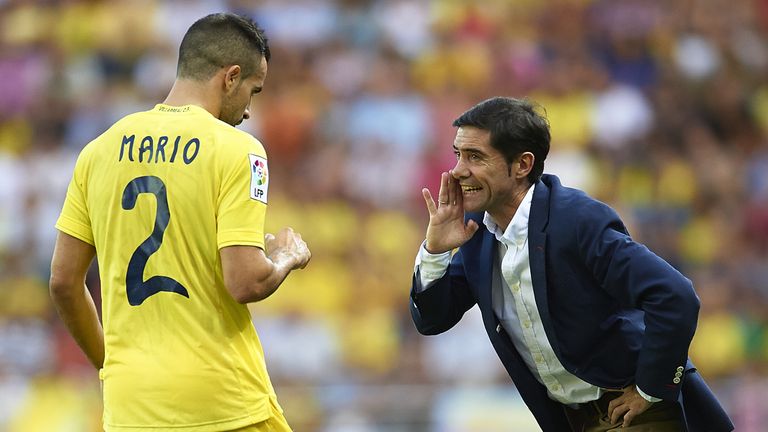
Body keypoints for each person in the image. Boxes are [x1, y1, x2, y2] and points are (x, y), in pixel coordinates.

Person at [49, 13, 311, 432]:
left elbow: (64, 282)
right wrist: (285, 257)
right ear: (231, 77)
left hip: (131, 406)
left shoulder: (97, 151)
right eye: (253, 91)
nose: (248, 111)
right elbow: (245, 282)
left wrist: (111, 365)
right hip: (224, 403)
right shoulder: (240, 151)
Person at [410, 96, 733, 431]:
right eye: (458, 155)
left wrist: (649, 389)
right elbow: (433, 320)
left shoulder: (576, 219)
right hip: (571, 420)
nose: (458, 170)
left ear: (522, 165)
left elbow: (675, 295)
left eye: (475, 156)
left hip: (632, 409)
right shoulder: (476, 232)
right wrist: (435, 251)